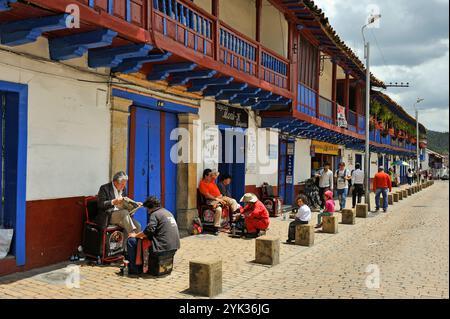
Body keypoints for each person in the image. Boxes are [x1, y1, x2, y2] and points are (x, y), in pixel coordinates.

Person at [126, 196, 180, 275]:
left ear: (150, 208)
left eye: (147, 209)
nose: (148, 212)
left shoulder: (154, 214)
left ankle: (134, 270)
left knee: (131, 241)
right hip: (173, 248)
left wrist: (135, 235)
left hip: (161, 249)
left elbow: (149, 231)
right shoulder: (167, 212)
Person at [97, 172, 142, 237]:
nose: (123, 187)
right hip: (109, 215)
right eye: (122, 184)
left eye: (124, 184)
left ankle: (128, 246)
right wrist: (113, 202)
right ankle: (132, 234)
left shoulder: (123, 189)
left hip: (123, 216)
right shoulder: (104, 188)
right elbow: (100, 204)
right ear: (115, 182)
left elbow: (125, 202)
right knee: (124, 213)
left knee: (137, 226)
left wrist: (134, 206)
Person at [199, 169, 241, 235]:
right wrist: (217, 199)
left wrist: (213, 173)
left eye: (212, 175)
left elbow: (217, 173)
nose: (212, 177)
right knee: (219, 209)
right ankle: (216, 227)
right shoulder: (202, 184)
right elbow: (207, 195)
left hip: (220, 197)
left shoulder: (211, 180)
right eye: (210, 175)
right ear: (205, 176)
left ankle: (235, 220)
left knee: (233, 201)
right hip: (211, 200)